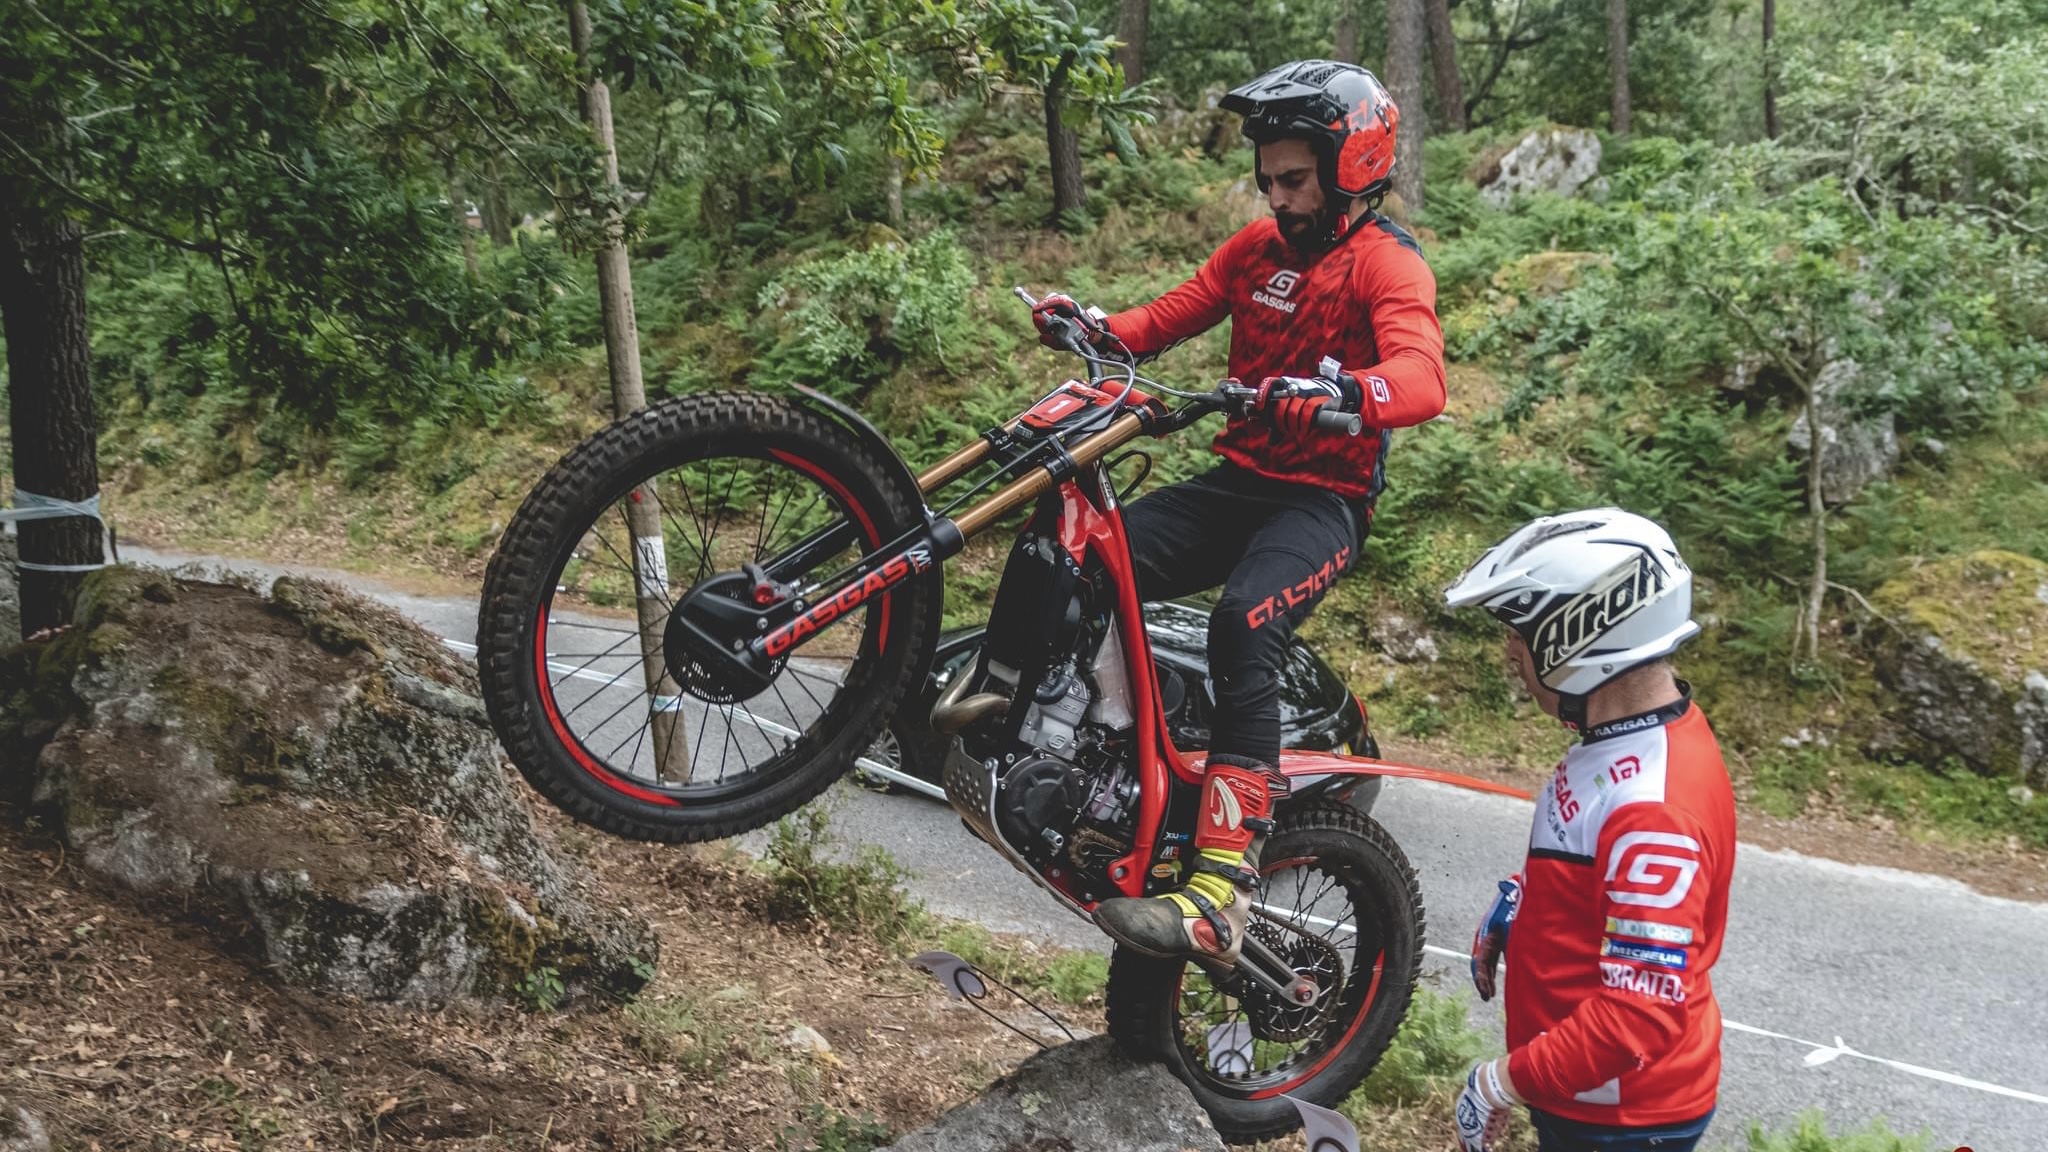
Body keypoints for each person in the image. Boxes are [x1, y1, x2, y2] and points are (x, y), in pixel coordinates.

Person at [1035, 59, 1447, 964]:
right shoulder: (1253, 255)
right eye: (1267, 180)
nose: (1277, 197)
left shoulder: (1386, 263)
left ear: (1352, 168)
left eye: (1293, 179)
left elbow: (1423, 377)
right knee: (1088, 556)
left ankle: (1223, 885)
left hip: (1323, 502)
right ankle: (1104, 761)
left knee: (1241, 627)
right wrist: (1090, 325)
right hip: (1237, 480)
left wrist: (1350, 390)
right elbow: (1162, 319)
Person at [1443, 509, 1736, 1152]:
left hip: (1620, 1116)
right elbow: (1592, 858)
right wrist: (1523, 902)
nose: (1510, 651)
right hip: (1590, 1092)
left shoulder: (1654, 813)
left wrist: (1500, 1082)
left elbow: (1638, 1015)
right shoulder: (1631, 734)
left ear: (1583, 634)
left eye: (1519, 631)